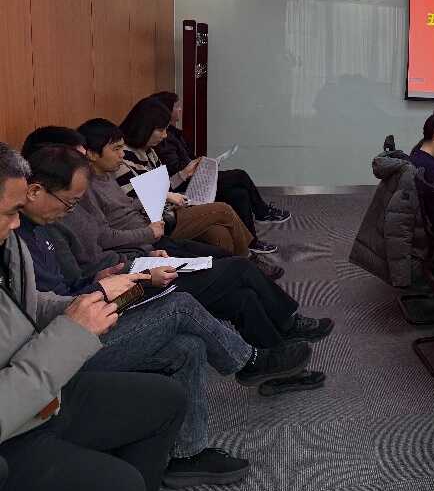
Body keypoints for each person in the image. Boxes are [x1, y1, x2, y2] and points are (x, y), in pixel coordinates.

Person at [0, 142, 309, 491]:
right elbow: (41, 314)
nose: (16, 220)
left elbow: (57, 291)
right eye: (69, 203)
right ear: (34, 191)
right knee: (181, 306)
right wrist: (97, 288)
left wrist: (103, 279)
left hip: (83, 316)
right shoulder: (22, 238)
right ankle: (250, 361)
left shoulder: (27, 237)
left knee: (189, 345)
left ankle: (187, 454)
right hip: (64, 345)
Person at [0, 141, 185, 491]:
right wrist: (73, 332)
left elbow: (26, 307)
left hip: (43, 392)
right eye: (10, 212)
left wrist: (92, 298)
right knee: (120, 490)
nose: (16, 223)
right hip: (12, 428)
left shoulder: (9, 245)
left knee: (165, 399)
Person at [22, 142, 332, 351]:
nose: (73, 205)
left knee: (241, 293)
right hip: (124, 291)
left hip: (131, 269)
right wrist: (137, 271)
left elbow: (95, 257)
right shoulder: (45, 229)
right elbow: (77, 290)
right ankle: (285, 324)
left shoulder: (67, 208)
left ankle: (272, 356)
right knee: (237, 267)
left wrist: (140, 259)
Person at [117, 99, 264, 256]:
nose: (165, 135)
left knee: (219, 233)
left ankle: (234, 267)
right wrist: (168, 196)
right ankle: (249, 259)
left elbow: (164, 187)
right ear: (144, 128)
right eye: (161, 130)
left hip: (171, 211)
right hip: (157, 223)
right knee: (224, 210)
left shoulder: (149, 151)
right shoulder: (122, 158)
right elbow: (134, 201)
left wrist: (184, 174)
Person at [150, 91, 291, 238]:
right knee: (240, 175)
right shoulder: (164, 141)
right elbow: (176, 172)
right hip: (188, 185)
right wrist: (194, 168)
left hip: (194, 177)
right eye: (176, 106)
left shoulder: (174, 134)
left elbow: (185, 161)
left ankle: (251, 241)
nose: (180, 109)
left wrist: (203, 164)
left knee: (240, 194)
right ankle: (262, 212)